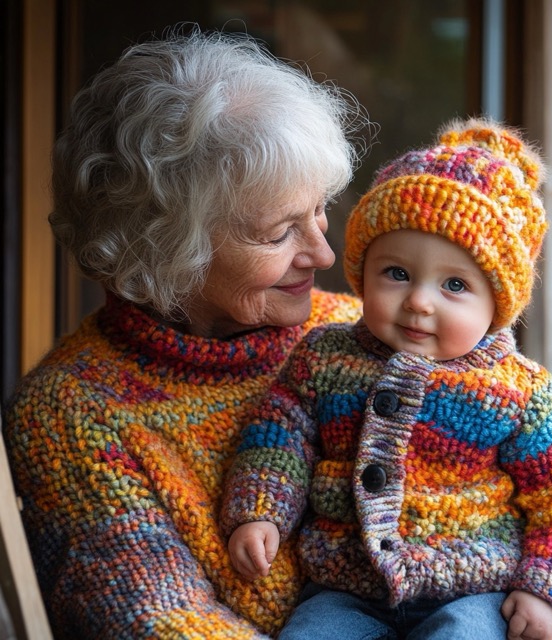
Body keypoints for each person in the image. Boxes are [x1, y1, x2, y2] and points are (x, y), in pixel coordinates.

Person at [2, 26, 374, 639]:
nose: (324, 253)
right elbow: (163, 623)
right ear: (168, 248)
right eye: (279, 233)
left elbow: (541, 521)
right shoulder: (73, 415)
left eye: (318, 210)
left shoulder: (355, 336)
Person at [221, 118, 552, 640]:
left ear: (498, 305)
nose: (418, 301)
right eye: (396, 274)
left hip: (474, 591)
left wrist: (546, 587)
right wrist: (260, 511)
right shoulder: (322, 358)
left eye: (454, 284)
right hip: (346, 591)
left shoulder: (519, 391)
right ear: (362, 273)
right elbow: (279, 435)